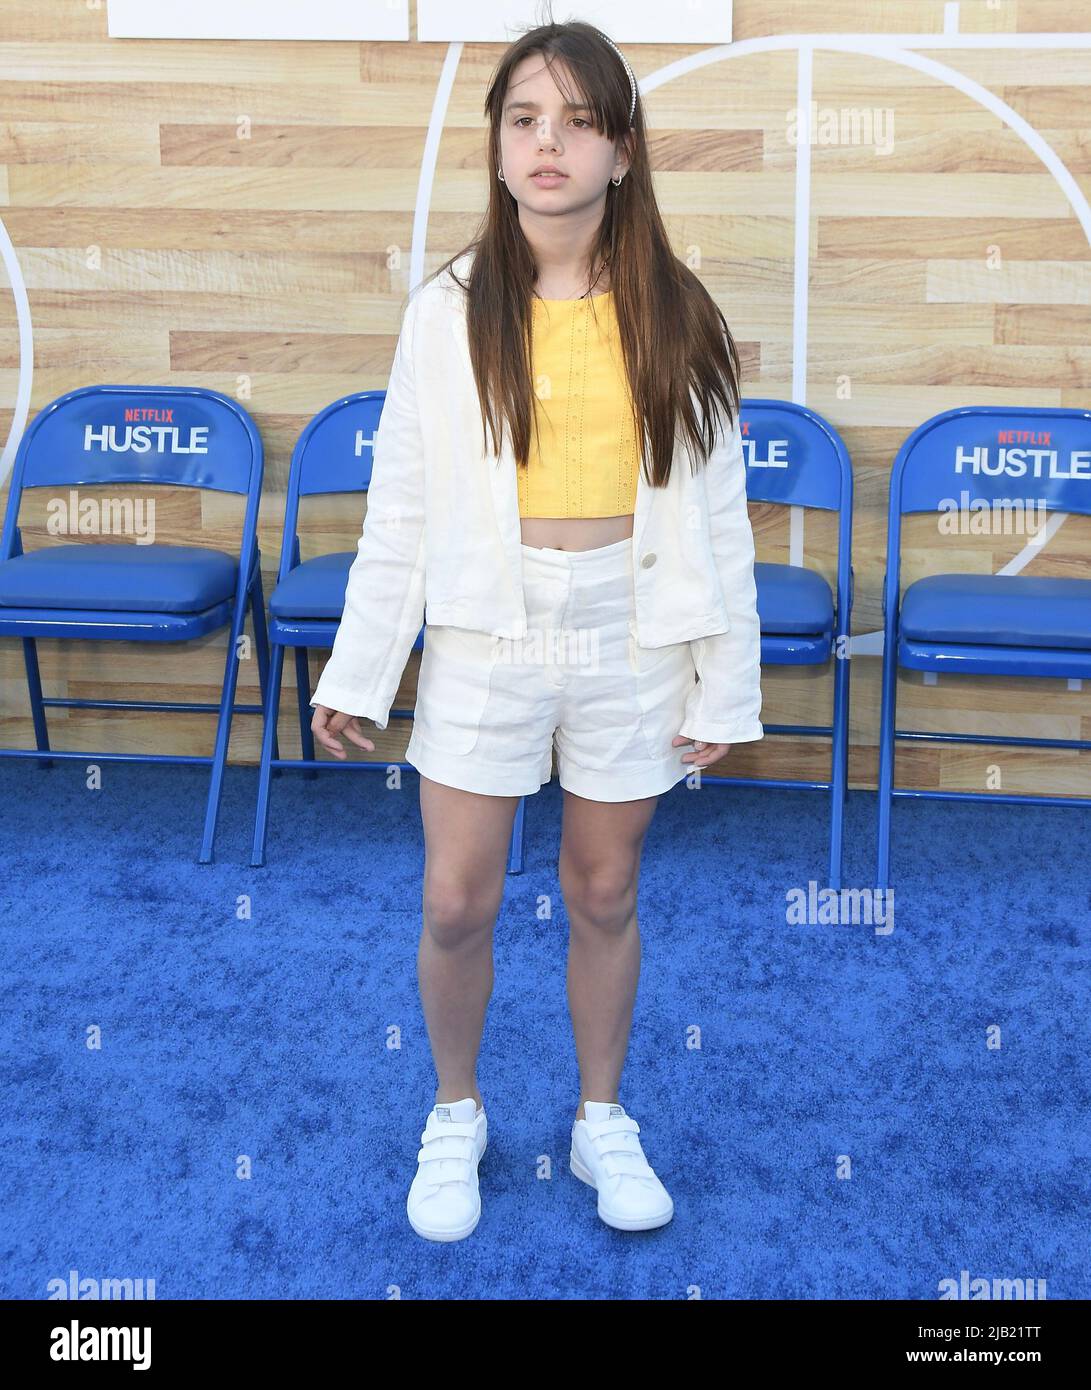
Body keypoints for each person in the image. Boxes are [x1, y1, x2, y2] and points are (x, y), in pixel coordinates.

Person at [309, 16, 764, 1242]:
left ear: (622, 147)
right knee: (457, 898)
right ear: (497, 148)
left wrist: (723, 687)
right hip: (484, 624)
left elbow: (719, 521)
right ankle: (454, 1111)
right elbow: (399, 511)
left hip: (633, 627)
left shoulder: (681, 313)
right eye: (523, 119)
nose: (547, 142)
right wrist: (363, 667)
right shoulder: (444, 314)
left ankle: (598, 1116)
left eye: (575, 120)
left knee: (602, 887)